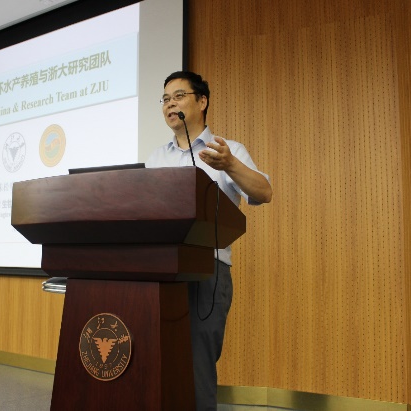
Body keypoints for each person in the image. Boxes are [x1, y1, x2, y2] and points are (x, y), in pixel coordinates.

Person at [146, 71, 272, 411]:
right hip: (161, 271)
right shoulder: (156, 158)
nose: (170, 104)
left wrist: (229, 165)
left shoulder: (227, 150)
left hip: (207, 270)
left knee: (197, 365)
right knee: (158, 359)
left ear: (202, 101)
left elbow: (264, 192)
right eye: (165, 99)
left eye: (178, 96)